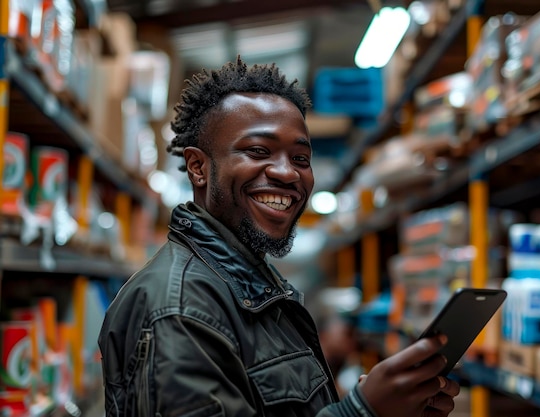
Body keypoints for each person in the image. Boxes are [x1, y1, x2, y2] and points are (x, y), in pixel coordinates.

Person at [98, 57, 460, 417]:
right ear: (198, 167)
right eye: (258, 151)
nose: (288, 173)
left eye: (301, 158)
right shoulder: (180, 310)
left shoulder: (249, 284)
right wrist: (362, 412)